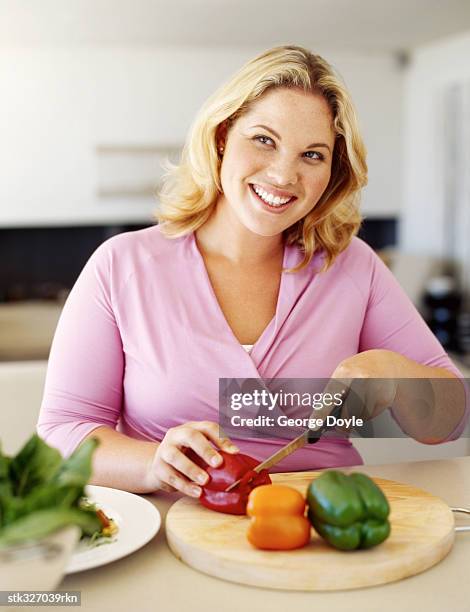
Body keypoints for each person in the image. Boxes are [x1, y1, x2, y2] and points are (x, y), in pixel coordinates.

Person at [37, 45, 466, 498]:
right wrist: (153, 463)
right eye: (264, 139)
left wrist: (393, 374)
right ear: (222, 136)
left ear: (332, 170)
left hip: (324, 533)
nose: (283, 175)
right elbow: (63, 432)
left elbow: (454, 419)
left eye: (313, 155)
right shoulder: (121, 265)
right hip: (173, 534)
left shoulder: (352, 266)